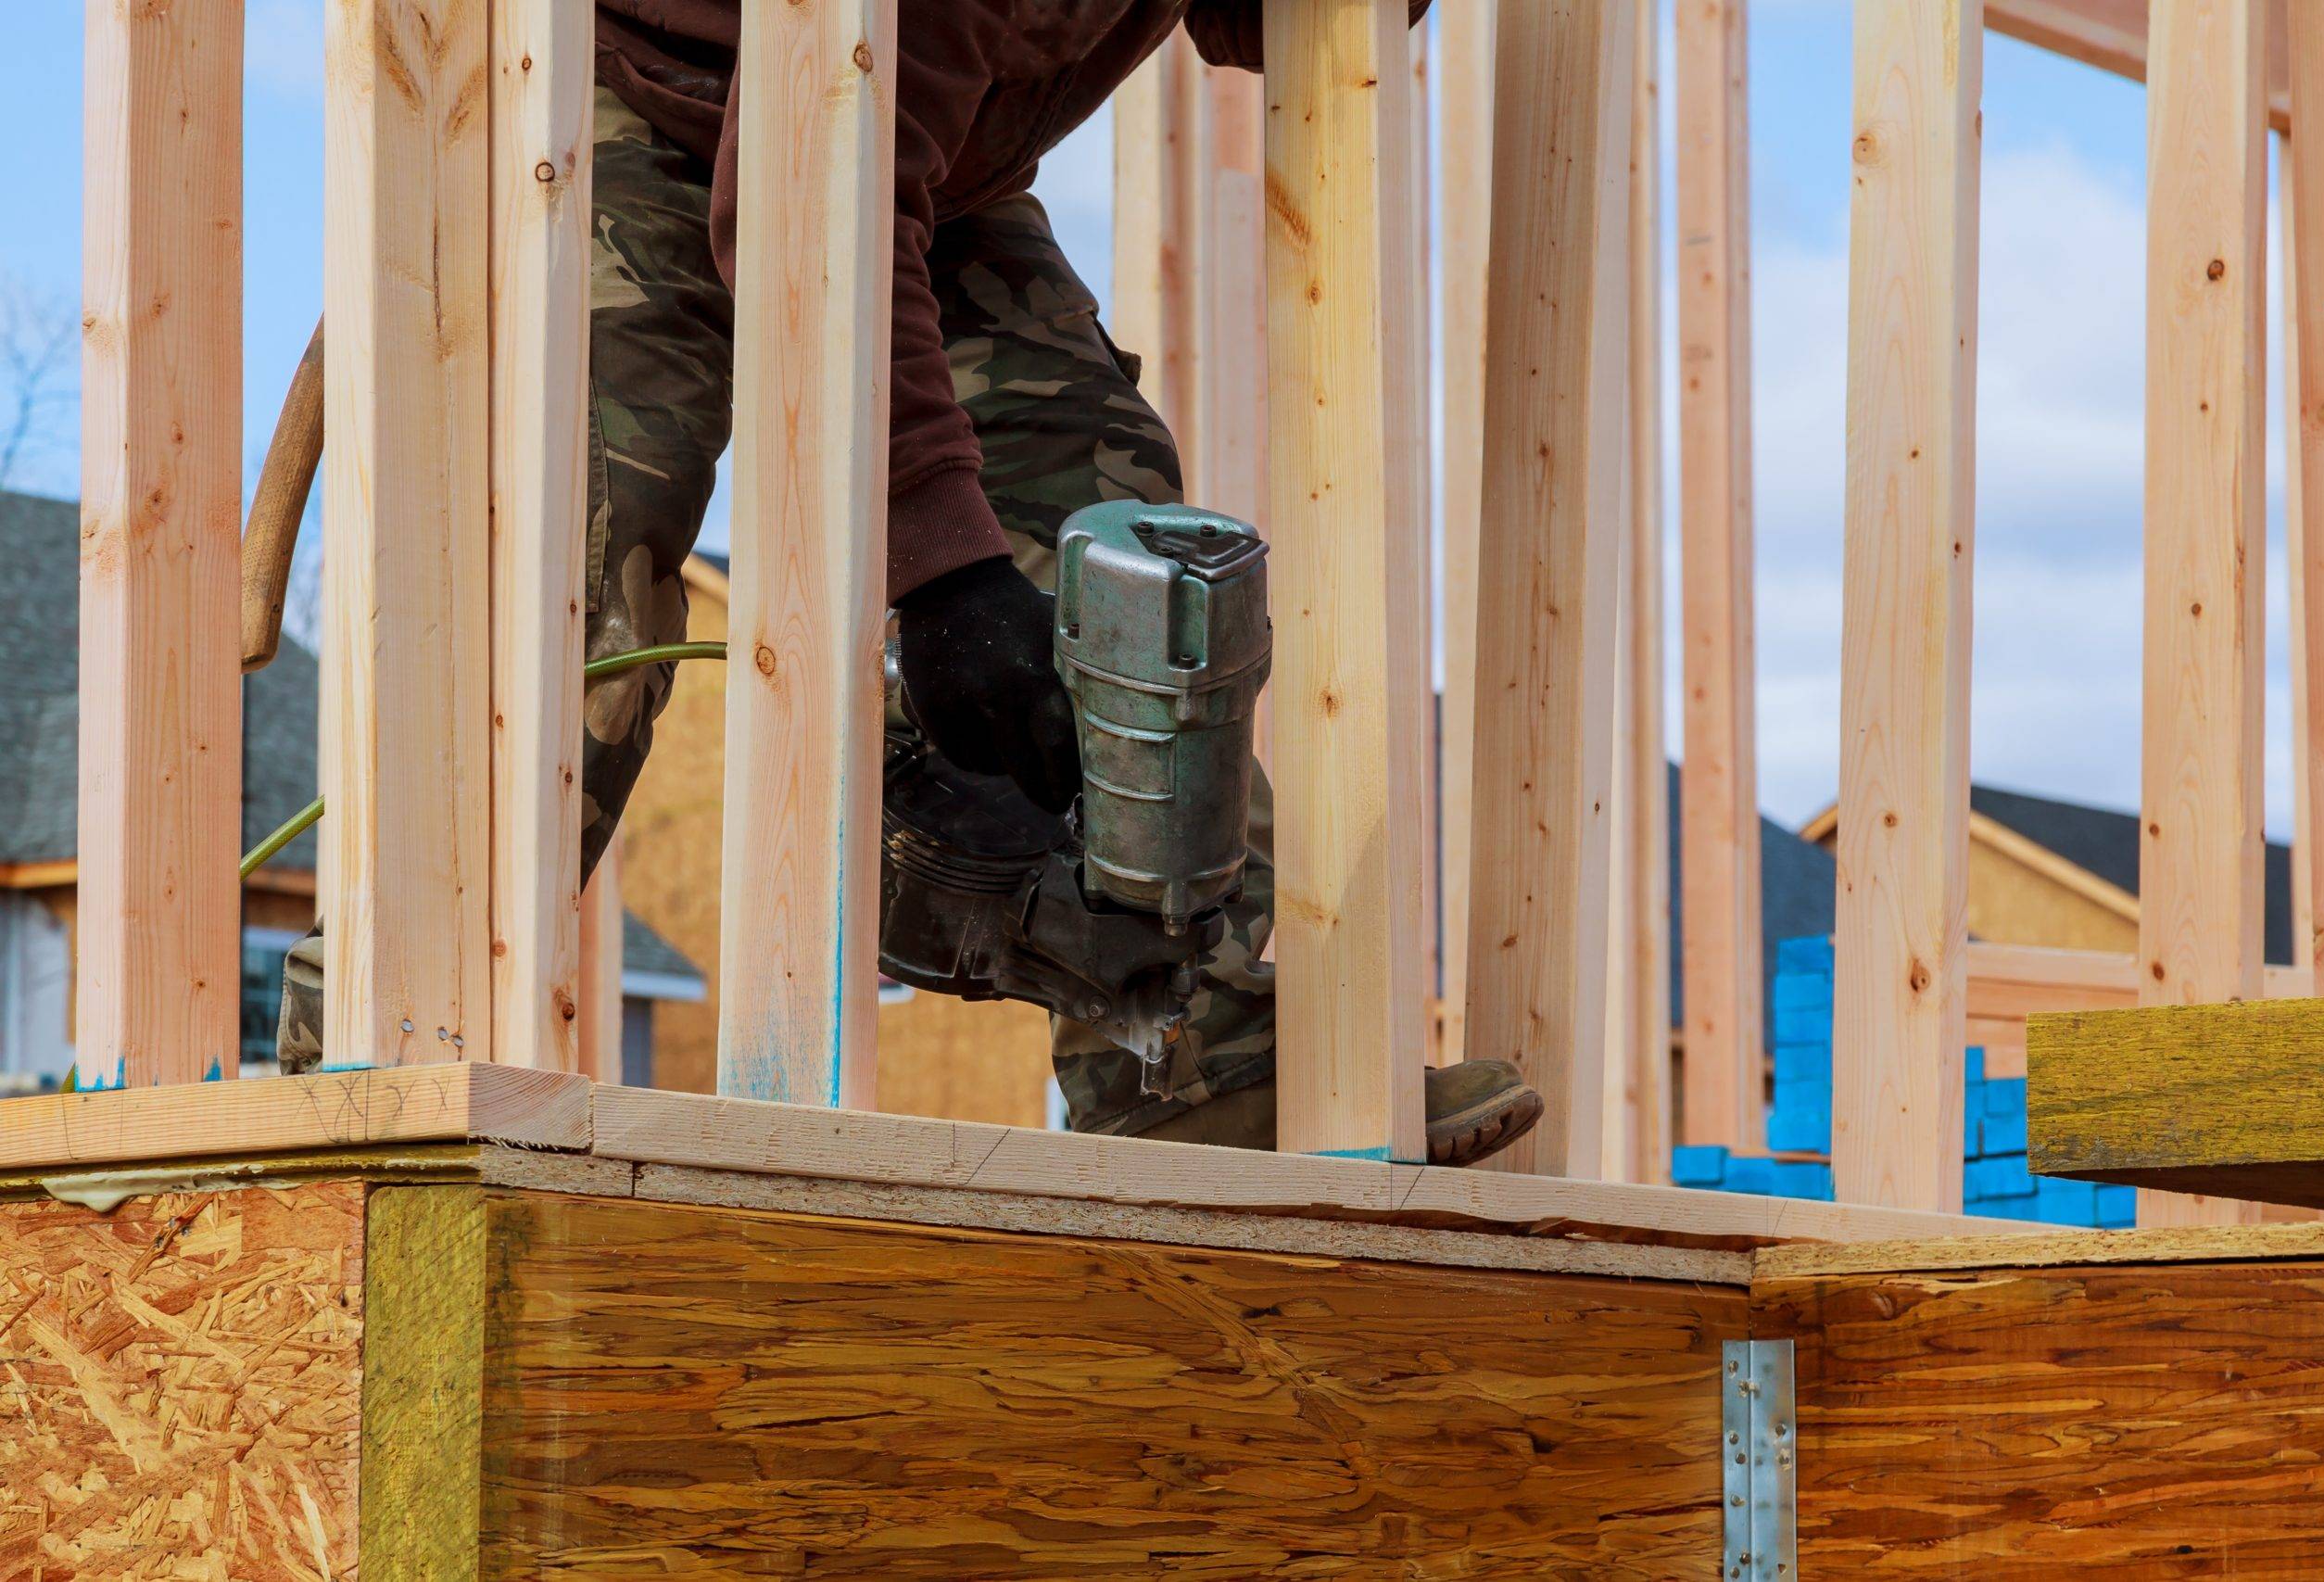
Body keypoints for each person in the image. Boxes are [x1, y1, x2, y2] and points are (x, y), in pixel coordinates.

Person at [285, 0, 1543, 1167]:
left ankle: (1198, 1068)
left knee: (1127, 566)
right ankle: (358, 1065)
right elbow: (804, 190)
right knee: (587, 556)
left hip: (920, 168)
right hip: (629, 101)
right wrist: (942, 575)